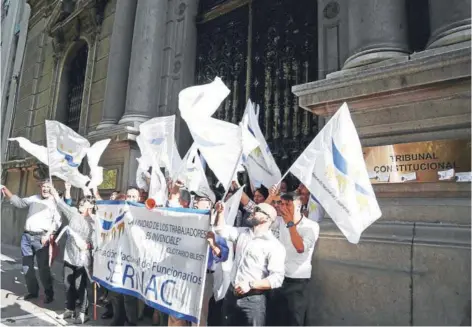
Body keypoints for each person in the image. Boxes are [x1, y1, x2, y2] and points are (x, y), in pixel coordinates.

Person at [214, 201, 286, 326]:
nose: (253, 211)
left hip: (253, 301)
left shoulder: (274, 246)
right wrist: (220, 213)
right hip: (231, 295)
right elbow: (220, 230)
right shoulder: (243, 233)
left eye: (257, 209)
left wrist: (250, 284)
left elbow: (277, 278)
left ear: (267, 219)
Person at [1, 180, 61, 303]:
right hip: (27, 237)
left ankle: (49, 294)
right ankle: (33, 292)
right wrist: (5, 189)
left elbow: (57, 222)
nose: (45, 189)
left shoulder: (55, 203)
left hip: (42, 239)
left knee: (43, 269)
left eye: (48, 187)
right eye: (43, 186)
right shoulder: (34, 198)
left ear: (52, 189)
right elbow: (20, 203)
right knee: (27, 267)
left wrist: (48, 235)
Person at [268, 192, 320, 326]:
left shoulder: (311, 226)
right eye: (281, 203)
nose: (282, 207)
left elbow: (300, 248)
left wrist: (290, 224)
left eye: (287, 204)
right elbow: (259, 214)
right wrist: (271, 197)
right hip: (278, 278)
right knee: (274, 319)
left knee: (294, 321)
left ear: (298, 205)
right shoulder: (278, 221)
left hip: (297, 282)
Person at [50, 186, 96, 324]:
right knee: (67, 283)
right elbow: (61, 203)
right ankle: (69, 309)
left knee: (80, 286)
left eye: (84, 204)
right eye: (80, 203)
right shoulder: (73, 214)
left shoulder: (95, 221)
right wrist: (54, 191)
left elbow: (99, 241)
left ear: (91, 206)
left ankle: (83, 312)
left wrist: (88, 246)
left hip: (84, 259)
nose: (81, 205)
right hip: (69, 256)